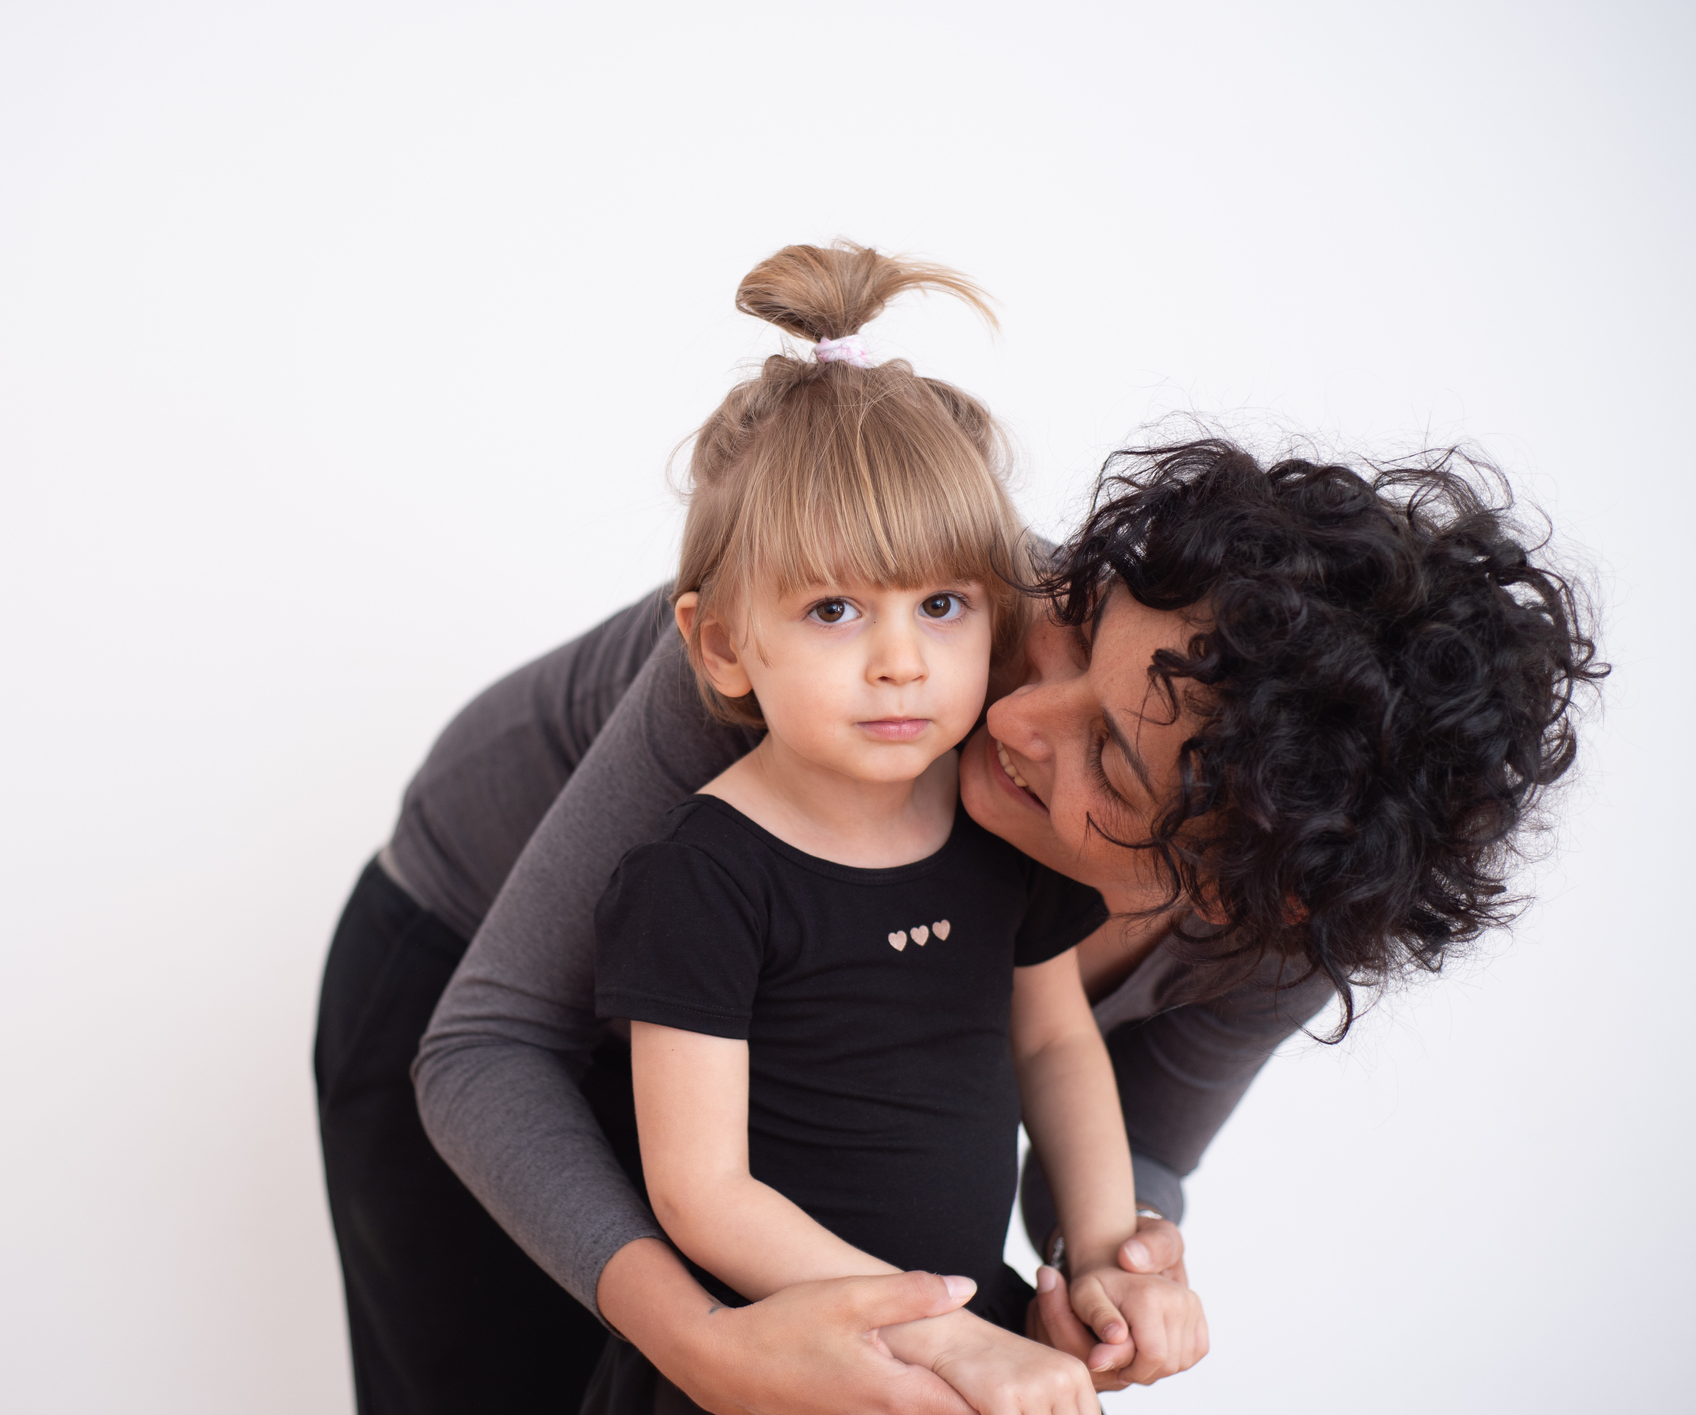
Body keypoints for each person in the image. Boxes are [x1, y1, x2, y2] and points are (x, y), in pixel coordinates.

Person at [319, 249, 1602, 1414]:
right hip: (479, 980)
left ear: (1241, 889)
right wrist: (701, 1342)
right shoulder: (866, 640)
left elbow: (1125, 1127)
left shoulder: (1272, 926)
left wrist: (1118, 1258)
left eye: (1109, 756)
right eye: (1076, 641)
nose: (1017, 712)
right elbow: (489, 1046)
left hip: (812, 1133)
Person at [583, 243, 1205, 1415]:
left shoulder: (994, 837)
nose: (899, 658)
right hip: (785, 1365)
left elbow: (1057, 1046)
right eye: (832, 608)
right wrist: (947, 1338)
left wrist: (1113, 1249)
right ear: (720, 643)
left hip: (969, 1347)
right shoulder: (698, 877)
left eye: (941, 603)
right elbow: (700, 1191)